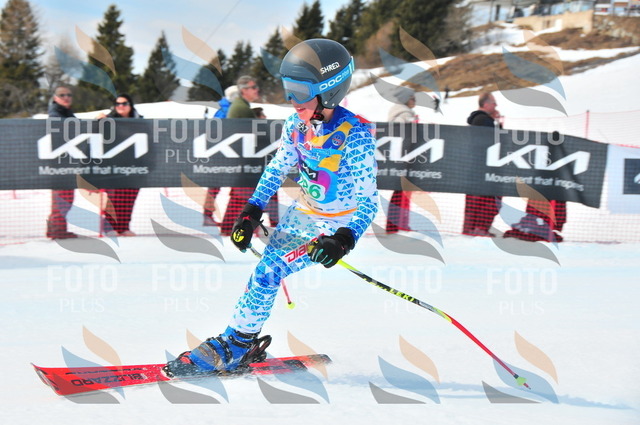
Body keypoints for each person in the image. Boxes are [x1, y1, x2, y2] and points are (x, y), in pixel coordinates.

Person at [165, 39, 379, 377]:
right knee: (263, 274)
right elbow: (278, 168)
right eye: (288, 89)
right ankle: (242, 342)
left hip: (335, 225)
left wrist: (343, 239)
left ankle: (235, 345)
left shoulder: (355, 136)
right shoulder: (296, 125)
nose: (292, 99)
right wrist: (252, 210)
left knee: (268, 273)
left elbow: (369, 201)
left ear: (329, 90)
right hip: (302, 215)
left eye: (301, 91)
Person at [220, 76, 279, 235]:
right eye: (253, 87)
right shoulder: (241, 108)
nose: (256, 90)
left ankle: (229, 228)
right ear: (243, 90)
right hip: (245, 161)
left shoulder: (242, 106)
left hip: (244, 160)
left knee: (243, 194)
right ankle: (233, 229)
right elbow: (252, 136)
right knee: (248, 194)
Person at [96, 94, 142, 236]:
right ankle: (109, 227)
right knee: (115, 197)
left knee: (129, 198)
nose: (121, 106)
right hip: (114, 166)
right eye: (118, 104)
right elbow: (96, 137)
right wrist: (98, 121)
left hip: (135, 167)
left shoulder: (140, 121)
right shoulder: (108, 120)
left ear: (130, 105)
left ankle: (123, 227)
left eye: (124, 103)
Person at [462, 92, 502, 237]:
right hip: (483, 166)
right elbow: (493, 141)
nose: (496, 105)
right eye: (493, 102)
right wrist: (496, 124)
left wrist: (496, 122)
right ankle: (479, 227)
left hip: (478, 165)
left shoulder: (480, 119)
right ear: (486, 104)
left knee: (478, 198)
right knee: (487, 198)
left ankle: (473, 228)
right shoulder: (483, 120)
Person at [46, 86, 78, 239]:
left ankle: (56, 228)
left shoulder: (66, 112)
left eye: (69, 95)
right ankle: (57, 230)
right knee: (63, 197)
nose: (66, 97)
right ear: (55, 98)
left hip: (67, 161)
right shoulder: (55, 113)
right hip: (60, 162)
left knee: (66, 197)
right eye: (62, 95)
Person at [386, 86, 417, 233]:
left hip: (403, 157)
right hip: (403, 158)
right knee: (401, 191)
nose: (414, 100)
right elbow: (398, 132)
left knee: (402, 191)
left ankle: (399, 224)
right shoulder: (403, 114)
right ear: (405, 99)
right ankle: (396, 225)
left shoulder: (403, 112)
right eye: (412, 98)